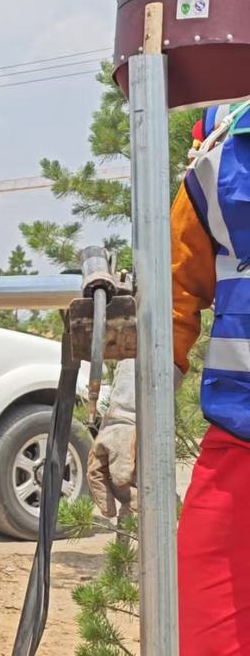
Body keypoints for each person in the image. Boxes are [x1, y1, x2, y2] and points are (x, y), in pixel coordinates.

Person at [86, 100, 250, 655]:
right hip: (240, 450)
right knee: (204, 634)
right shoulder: (223, 156)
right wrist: (128, 413)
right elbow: (173, 301)